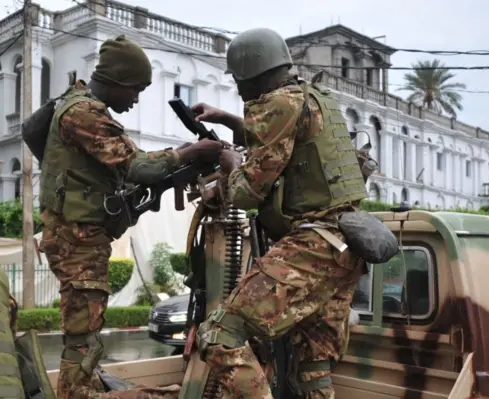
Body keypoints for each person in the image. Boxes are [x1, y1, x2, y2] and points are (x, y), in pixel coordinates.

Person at [37, 35, 223, 399]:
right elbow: (139, 167)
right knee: (82, 334)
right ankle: (76, 394)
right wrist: (193, 151)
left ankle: (84, 389)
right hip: (76, 240)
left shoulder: (86, 109)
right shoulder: (84, 113)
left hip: (81, 237)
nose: (136, 99)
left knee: (86, 331)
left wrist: (184, 155)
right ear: (118, 81)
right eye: (136, 90)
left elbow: (134, 163)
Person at [192, 27, 369, 398]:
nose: (238, 90)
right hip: (346, 245)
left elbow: (247, 193)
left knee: (219, 335)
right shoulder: (314, 98)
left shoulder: (274, 104)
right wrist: (227, 119)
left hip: (312, 243)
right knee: (313, 364)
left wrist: (229, 165)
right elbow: (283, 141)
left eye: (237, 82)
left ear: (248, 73)